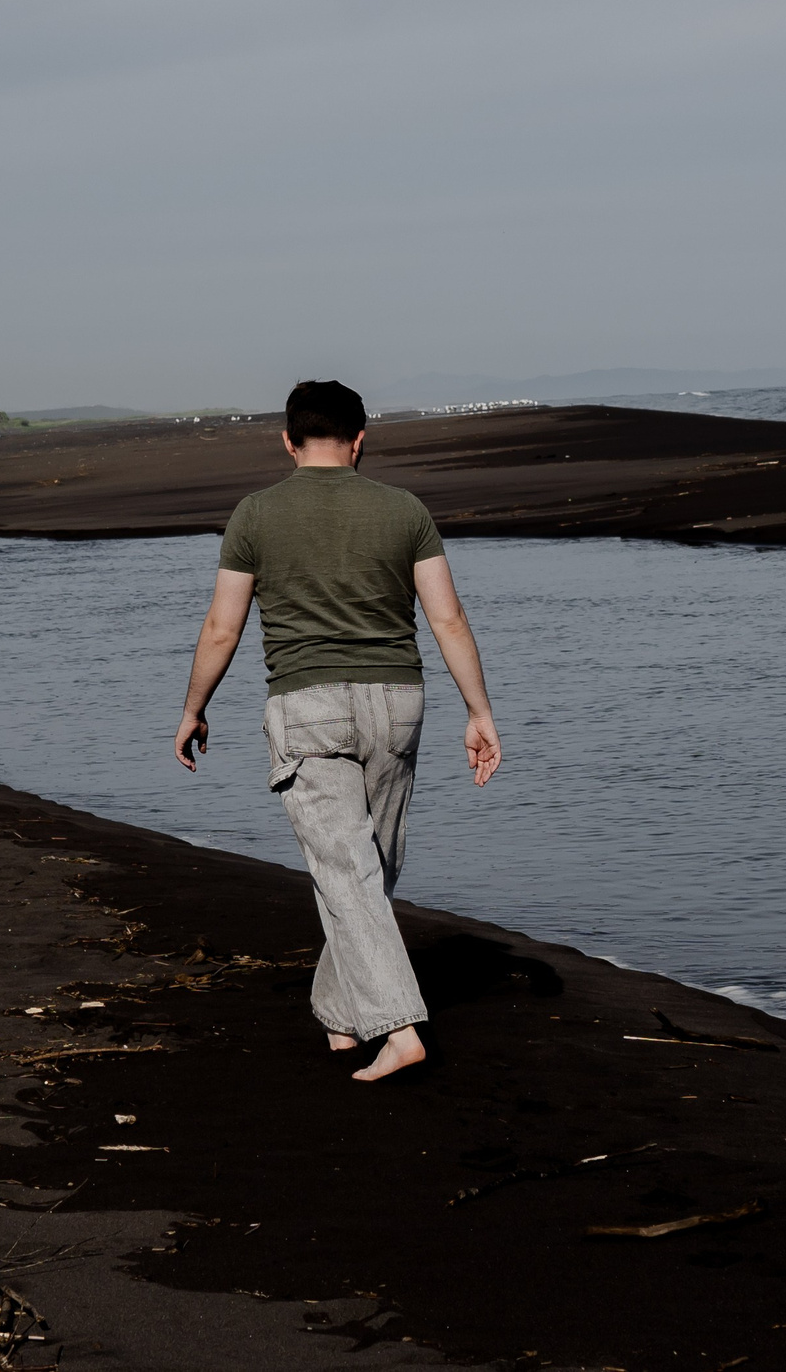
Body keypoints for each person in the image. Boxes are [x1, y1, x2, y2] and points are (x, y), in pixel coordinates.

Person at [173, 379, 502, 1082]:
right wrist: (480, 711)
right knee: (366, 866)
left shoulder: (255, 514)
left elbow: (223, 626)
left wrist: (194, 706)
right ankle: (340, 1011)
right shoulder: (404, 509)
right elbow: (448, 618)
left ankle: (399, 1025)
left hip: (308, 704)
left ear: (288, 440)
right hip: (398, 700)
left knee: (350, 869)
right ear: (360, 441)